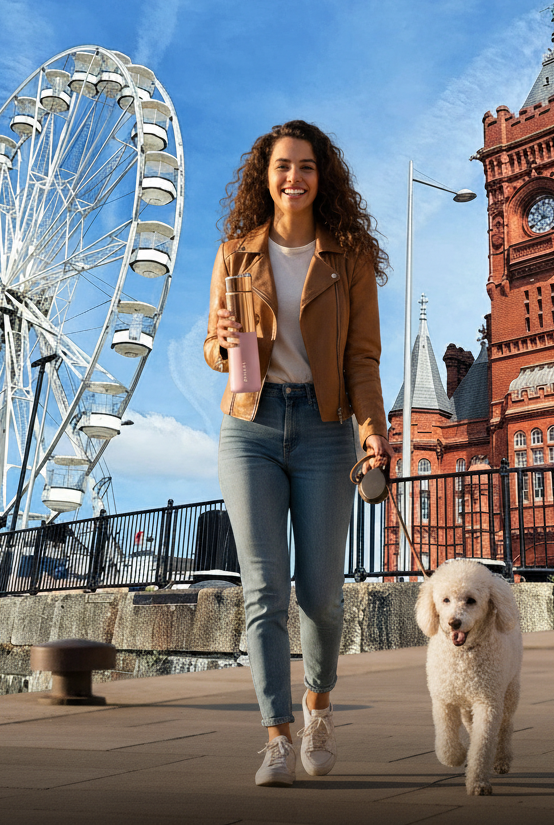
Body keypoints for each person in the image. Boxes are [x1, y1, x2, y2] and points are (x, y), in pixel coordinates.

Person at [204, 119, 392, 787]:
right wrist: (224, 344)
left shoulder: (350, 259)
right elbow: (213, 350)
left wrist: (374, 431)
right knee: (263, 590)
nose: (294, 177)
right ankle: (276, 736)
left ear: (323, 176)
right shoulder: (235, 255)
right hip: (250, 428)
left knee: (320, 596)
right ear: (265, 175)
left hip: (324, 426)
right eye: (282, 166)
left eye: (306, 166)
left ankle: (317, 703)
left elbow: (362, 358)